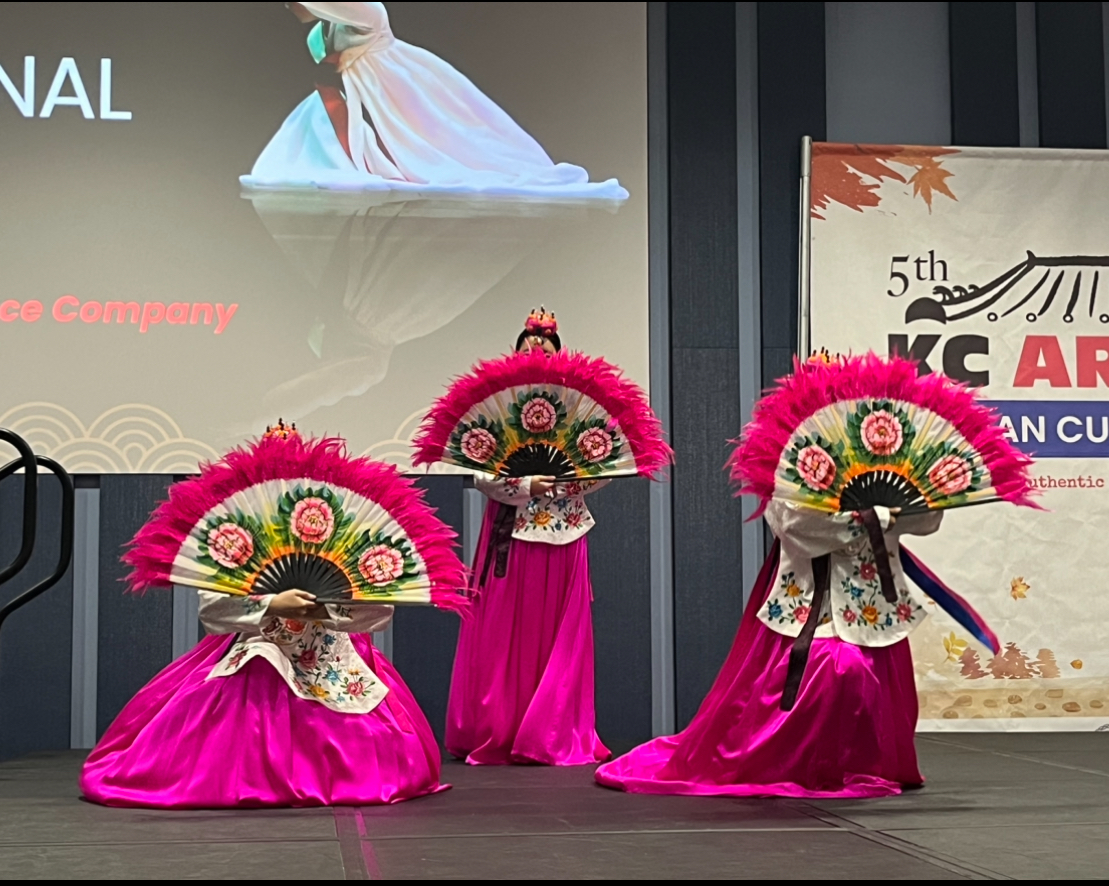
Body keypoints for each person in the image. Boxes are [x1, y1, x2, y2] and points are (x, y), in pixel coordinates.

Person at [596, 499, 942, 798]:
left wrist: (898, 510)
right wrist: (878, 517)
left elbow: (928, 518)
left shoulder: (884, 451)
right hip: (809, 594)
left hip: (871, 595)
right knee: (834, 668)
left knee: (872, 681)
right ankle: (800, 764)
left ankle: (866, 763)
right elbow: (792, 524)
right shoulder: (791, 455)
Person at [80, 587, 447, 808]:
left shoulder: (350, 527)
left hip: (332, 650)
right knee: (251, 678)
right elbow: (212, 609)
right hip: (257, 645)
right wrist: (271, 604)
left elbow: (380, 608)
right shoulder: (238, 531)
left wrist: (325, 609)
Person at [444, 310, 611, 765]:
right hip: (510, 532)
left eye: (546, 351)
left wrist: (558, 484)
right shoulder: (496, 409)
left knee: (562, 633)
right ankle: (498, 727)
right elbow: (479, 472)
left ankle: (551, 731)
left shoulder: (580, 412)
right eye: (527, 350)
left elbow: (603, 470)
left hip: (566, 532)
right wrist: (524, 487)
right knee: (502, 632)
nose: (536, 356)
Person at [242, 2, 627, 199]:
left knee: (441, 140)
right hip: (353, 94)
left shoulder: (367, 11)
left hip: (389, 87)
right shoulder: (326, 28)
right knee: (309, 135)